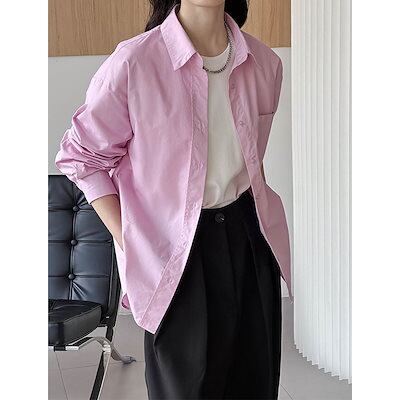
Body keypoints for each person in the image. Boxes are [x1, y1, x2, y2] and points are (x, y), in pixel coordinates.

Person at [55, 1, 293, 399]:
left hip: (250, 241)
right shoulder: (134, 63)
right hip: (176, 252)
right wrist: (131, 238)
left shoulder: (265, 64)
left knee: (255, 384)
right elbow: (81, 157)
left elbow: (251, 163)